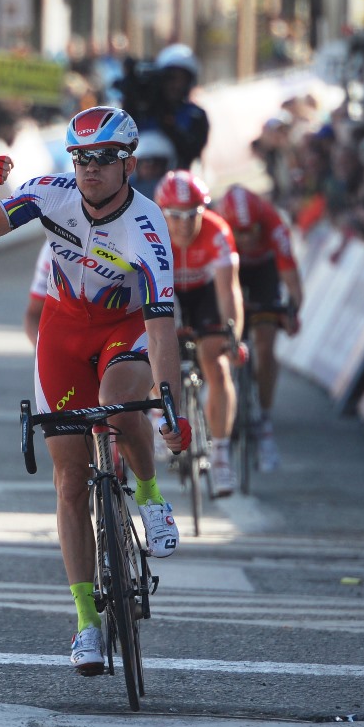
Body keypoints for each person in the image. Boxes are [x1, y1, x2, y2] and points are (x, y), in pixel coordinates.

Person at [0, 106, 190, 676]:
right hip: (63, 329)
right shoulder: (50, 194)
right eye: (80, 158)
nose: (90, 170)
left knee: (123, 402)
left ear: (127, 163)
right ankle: (86, 623)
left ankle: (150, 497)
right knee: (69, 482)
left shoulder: (147, 228)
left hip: (124, 329)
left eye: (103, 158)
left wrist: (173, 410)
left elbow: (161, 331)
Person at [155, 169, 244, 496]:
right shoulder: (150, 230)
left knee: (216, 362)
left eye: (193, 214)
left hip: (205, 293)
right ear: (162, 211)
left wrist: (233, 337)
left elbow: (228, 292)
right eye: (175, 215)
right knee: (154, 348)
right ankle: (158, 416)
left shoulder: (217, 231)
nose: (184, 223)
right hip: (168, 292)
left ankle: (221, 455)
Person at [215, 183, 303, 472]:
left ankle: (264, 418)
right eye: (238, 233)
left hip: (264, 272)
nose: (246, 238)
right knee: (221, 338)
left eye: (251, 231)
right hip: (231, 271)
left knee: (265, 349)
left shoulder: (274, 224)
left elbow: (291, 277)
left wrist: (291, 311)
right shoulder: (217, 226)